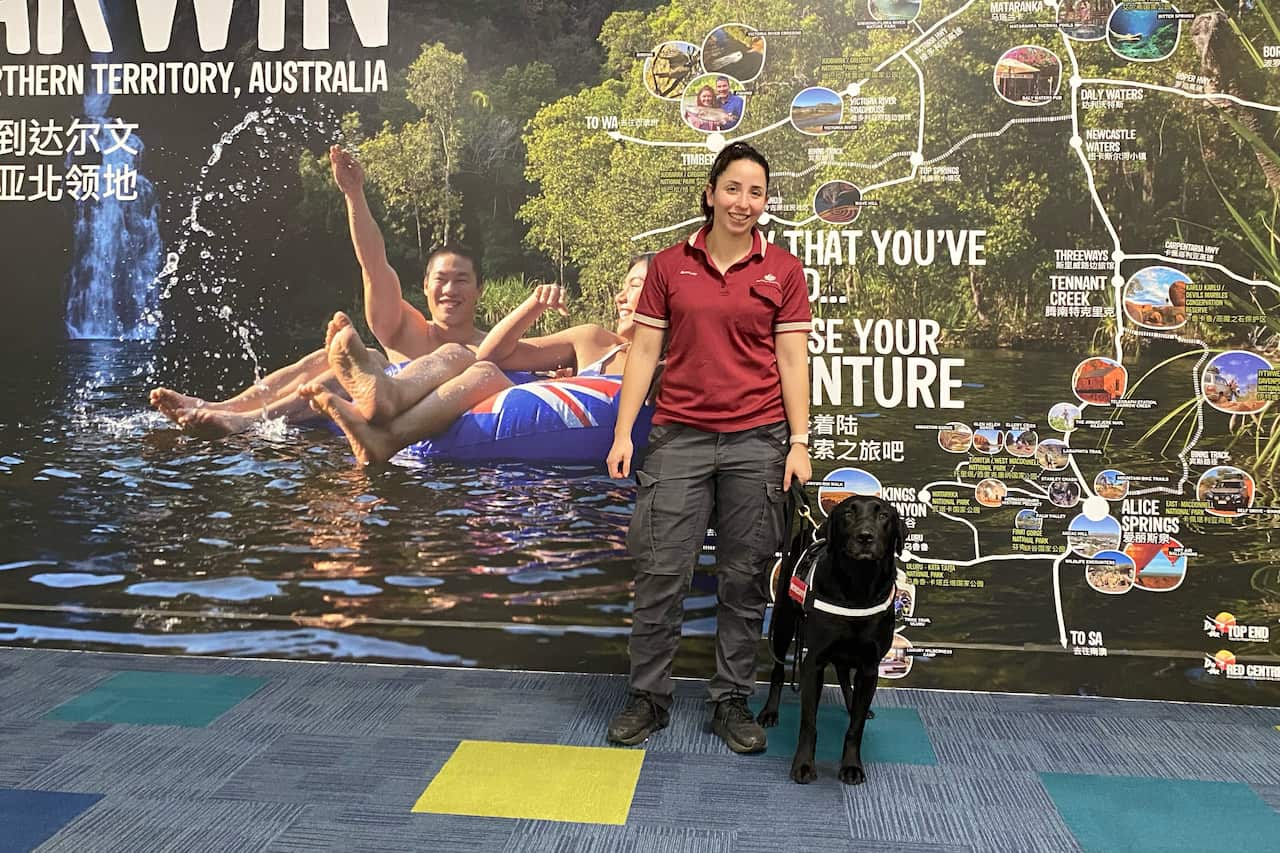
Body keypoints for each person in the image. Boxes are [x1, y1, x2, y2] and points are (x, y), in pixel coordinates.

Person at [603, 141, 812, 754]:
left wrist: (798, 441)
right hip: (678, 440)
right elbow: (643, 352)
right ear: (710, 193)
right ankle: (648, 697)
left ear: (766, 202)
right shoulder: (670, 266)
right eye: (733, 189)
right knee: (661, 572)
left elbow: (793, 359)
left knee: (745, 580)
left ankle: (729, 700)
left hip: (758, 442)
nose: (743, 202)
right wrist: (624, 432)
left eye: (756, 192)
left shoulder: (785, 271)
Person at [148, 145, 485, 438]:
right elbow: (374, 265)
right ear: (425, 287)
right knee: (341, 355)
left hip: (404, 412)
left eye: (462, 280)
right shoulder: (407, 329)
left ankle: (246, 421)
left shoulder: (492, 345)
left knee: (374, 361)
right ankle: (219, 407)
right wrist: (354, 194)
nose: (449, 289)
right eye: (441, 279)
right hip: (355, 405)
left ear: (480, 290)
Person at [301, 255, 657, 465]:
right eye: (622, 286)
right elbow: (493, 353)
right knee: (465, 356)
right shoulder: (594, 340)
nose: (620, 297)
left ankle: (387, 434)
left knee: (484, 372)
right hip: (517, 394)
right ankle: (387, 396)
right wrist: (532, 304)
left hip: (552, 426)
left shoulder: (672, 368)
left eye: (636, 285)